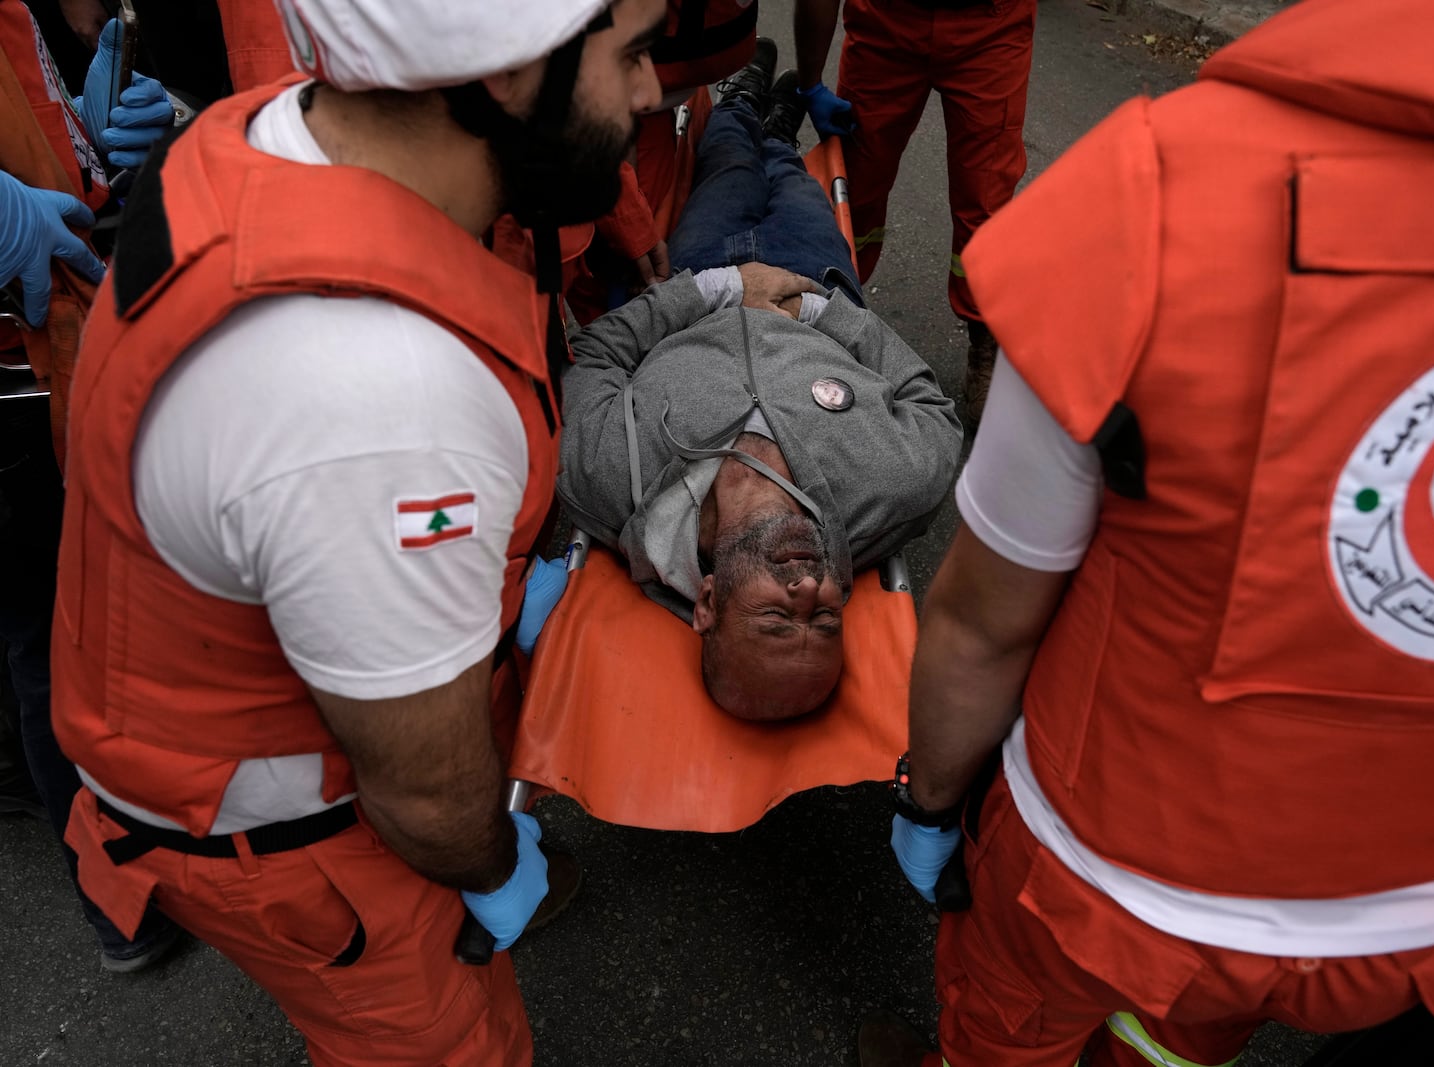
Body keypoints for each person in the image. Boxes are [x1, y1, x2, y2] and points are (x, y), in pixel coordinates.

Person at [866, 0, 1434, 1064]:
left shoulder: (1154, 201)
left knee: (1007, 1028)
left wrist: (930, 799)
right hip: (1417, 911)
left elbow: (983, 625)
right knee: (1173, 1043)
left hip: (1101, 875)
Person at [50, 0, 664, 1063]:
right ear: (508, 76)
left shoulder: (278, 135)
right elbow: (425, 799)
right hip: (298, 844)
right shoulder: (381, 398)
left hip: (208, 713)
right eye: (634, 55)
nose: (652, 95)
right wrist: (490, 858)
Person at [557, 59, 961, 721]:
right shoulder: (891, 482)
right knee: (784, 170)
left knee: (727, 166)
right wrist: (816, 314)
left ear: (709, 601)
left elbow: (596, 354)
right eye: (827, 617)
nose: (808, 585)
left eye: (778, 615)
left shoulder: (612, 479)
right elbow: (926, 399)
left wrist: (716, 290)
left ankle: (743, 101)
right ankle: (777, 126)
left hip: (702, 271)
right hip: (815, 277)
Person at [1, 0, 179, 972]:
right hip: (16, 376)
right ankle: (119, 898)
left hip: (54, 348)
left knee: (83, 628)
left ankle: (149, 854)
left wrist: (97, 133)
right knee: (49, 644)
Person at [792, 0, 1036, 422]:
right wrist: (809, 82)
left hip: (991, 26)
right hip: (887, 21)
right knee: (857, 189)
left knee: (985, 202)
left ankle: (986, 338)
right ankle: (836, 311)